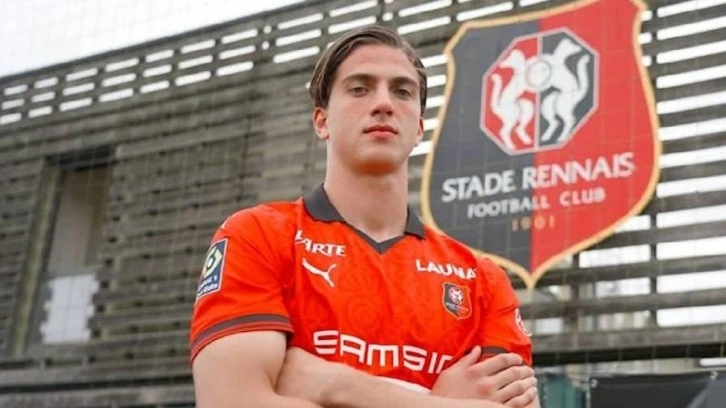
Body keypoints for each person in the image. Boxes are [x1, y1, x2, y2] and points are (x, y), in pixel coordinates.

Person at [190, 24, 539, 408]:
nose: (384, 103)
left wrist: (335, 385)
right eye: (360, 88)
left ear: (419, 128)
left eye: (402, 91)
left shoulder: (482, 282)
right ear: (322, 121)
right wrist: (440, 401)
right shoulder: (257, 236)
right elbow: (231, 402)